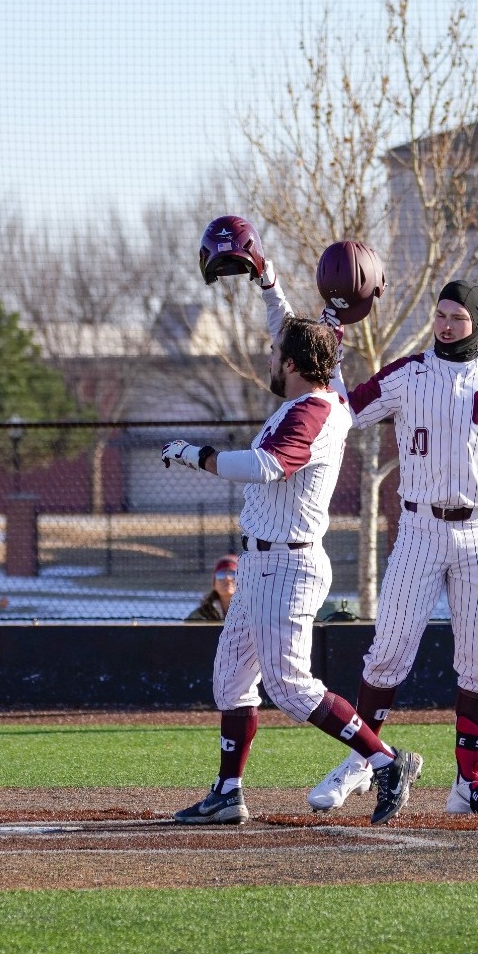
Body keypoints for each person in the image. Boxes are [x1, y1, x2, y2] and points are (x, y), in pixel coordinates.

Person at [256, 267, 478, 816]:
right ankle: (364, 762)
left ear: (476, 323)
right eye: (439, 315)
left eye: (456, 318)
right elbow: (344, 410)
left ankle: (470, 783)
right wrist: (333, 348)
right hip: (418, 528)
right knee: (388, 652)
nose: (444, 325)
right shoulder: (408, 374)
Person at [159, 314, 423, 826]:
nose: (270, 360)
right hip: (263, 561)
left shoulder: (313, 412)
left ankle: (386, 762)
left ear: (294, 363)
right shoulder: (313, 403)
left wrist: (197, 454)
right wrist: (266, 279)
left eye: (276, 353)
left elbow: (266, 466)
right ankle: (227, 792)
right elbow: (294, 330)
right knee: (232, 678)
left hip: (287, 563)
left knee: (289, 686)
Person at [184, 555, 240, 623]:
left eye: (233, 574)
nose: (227, 578)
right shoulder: (200, 616)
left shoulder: (253, 612)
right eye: (221, 574)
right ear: (214, 583)